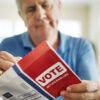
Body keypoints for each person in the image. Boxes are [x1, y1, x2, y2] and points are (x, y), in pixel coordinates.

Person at [0, 0, 100, 99]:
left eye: (46, 5)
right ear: (22, 16)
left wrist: (95, 93)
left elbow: (92, 90)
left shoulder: (82, 47)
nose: (40, 15)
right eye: (31, 9)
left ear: (59, 7)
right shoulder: (6, 45)